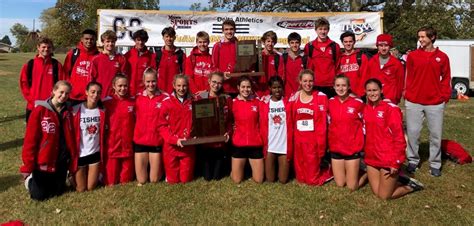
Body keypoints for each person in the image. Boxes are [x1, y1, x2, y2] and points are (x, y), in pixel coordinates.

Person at [363, 78, 424, 200]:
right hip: (372, 157)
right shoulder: (366, 108)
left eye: (375, 90)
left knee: (384, 196)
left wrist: (396, 162)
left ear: (381, 90)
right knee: (376, 192)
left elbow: (399, 138)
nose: (372, 93)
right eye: (369, 90)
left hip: (387, 158)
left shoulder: (391, 109)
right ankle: (399, 180)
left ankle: (411, 186)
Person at [405, 26, 451, 177]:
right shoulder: (412, 56)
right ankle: (412, 160)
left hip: (435, 102)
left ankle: (435, 164)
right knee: (412, 133)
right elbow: (409, 77)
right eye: (419, 37)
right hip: (414, 101)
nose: (420, 39)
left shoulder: (442, 57)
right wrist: (408, 93)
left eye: (423, 37)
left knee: (435, 135)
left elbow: (445, 78)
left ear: (432, 37)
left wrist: (444, 96)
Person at [20, 81, 77, 201]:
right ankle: (29, 180)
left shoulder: (69, 111)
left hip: (60, 159)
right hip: (44, 158)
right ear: (53, 91)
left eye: (67, 94)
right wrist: (27, 166)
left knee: (57, 192)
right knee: (39, 196)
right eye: (61, 92)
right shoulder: (40, 110)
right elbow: (30, 140)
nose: (63, 96)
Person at [289, 69, 332, 186]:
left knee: (312, 181)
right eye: (305, 81)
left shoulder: (320, 97)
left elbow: (323, 122)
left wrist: (321, 144)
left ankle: (328, 169)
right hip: (298, 139)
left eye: (310, 81)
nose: (308, 84)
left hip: (312, 140)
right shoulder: (294, 97)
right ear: (300, 82)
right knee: (301, 179)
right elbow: (290, 119)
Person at [328, 75, 364, 191]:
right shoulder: (330, 102)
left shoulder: (358, 103)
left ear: (349, 87)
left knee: (352, 186)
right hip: (336, 148)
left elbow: (366, 123)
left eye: (344, 85)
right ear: (334, 87)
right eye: (338, 85)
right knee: (340, 183)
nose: (341, 88)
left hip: (352, 148)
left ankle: (368, 172)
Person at [194, 72, 233, 181]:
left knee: (216, 177)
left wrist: (228, 132)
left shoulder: (227, 98)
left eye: (219, 83)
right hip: (205, 142)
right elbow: (196, 120)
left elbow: (230, 120)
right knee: (207, 177)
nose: (216, 85)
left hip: (220, 142)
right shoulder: (200, 97)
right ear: (209, 81)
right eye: (214, 82)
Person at [133, 68, 168, 185]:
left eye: (153, 81)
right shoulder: (137, 97)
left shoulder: (165, 97)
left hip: (156, 141)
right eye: (148, 82)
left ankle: (162, 170)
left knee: (154, 180)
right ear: (143, 81)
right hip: (140, 141)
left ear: (157, 80)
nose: (150, 84)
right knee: (141, 180)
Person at [158, 74, 195, 184]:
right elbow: (161, 126)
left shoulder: (194, 101)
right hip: (171, 147)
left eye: (184, 86)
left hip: (188, 146)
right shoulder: (166, 102)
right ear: (173, 85)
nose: (181, 88)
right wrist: (174, 140)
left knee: (185, 180)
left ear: (188, 86)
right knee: (172, 181)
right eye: (178, 85)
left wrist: (195, 135)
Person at [19, 37, 66, 122]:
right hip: (33, 106)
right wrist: (32, 100)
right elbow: (24, 84)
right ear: (38, 47)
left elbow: (62, 84)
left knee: (50, 133)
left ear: (52, 48)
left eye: (49, 47)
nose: (46, 49)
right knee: (32, 133)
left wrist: (56, 101)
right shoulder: (30, 64)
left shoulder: (56, 65)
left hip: (52, 106)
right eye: (43, 47)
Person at [102, 74, 135, 186]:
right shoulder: (106, 102)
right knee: (110, 182)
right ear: (114, 86)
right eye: (120, 86)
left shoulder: (132, 101)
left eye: (125, 86)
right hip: (112, 145)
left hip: (127, 145)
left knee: (126, 181)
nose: (123, 88)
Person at [71, 81, 104, 192]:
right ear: (86, 92)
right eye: (92, 92)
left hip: (95, 152)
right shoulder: (76, 110)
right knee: (81, 189)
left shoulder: (102, 111)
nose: (95, 95)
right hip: (80, 153)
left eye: (98, 93)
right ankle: (72, 176)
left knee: (90, 188)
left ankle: (96, 174)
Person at [231, 76, 264, 183]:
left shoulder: (257, 102)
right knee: (237, 180)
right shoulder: (233, 103)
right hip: (239, 144)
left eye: (248, 87)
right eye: (243, 87)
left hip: (255, 144)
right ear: (238, 88)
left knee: (259, 180)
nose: (246, 89)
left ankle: (247, 169)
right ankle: (235, 170)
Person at [259, 76, 292, 183]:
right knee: (270, 179)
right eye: (274, 88)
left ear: (282, 87)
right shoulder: (264, 103)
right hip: (270, 146)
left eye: (279, 87)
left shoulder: (288, 102)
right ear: (270, 88)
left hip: (284, 145)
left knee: (283, 180)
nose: (277, 90)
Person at [362, 34, 404, 104]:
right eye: (381, 46)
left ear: (390, 46)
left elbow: (400, 83)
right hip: (373, 99)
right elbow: (366, 79)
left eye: (386, 45)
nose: (383, 48)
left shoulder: (396, 63)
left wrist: (396, 98)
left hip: (390, 100)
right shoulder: (371, 61)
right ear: (377, 47)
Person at [304, 18, 341, 98]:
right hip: (315, 85)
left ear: (328, 30)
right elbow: (308, 68)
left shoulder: (335, 46)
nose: (323, 32)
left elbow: (337, 66)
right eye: (320, 29)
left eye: (325, 29)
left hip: (331, 85)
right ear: (316, 30)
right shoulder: (309, 47)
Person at [63, 29, 99, 103]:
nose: (89, 41)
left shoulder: (98, 56)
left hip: (91, 97)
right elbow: (65, 74)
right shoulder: (73, 54)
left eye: (92, 39)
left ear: (95, 40)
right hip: (73, 97)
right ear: (81, 39)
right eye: (86, 39)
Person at [90, 30, 129, 99]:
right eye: (108, 41)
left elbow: (124, 79)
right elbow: (91, 79)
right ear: (103, 42)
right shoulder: (96, 59)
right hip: (100, 96)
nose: (110, 44)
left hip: (115, 98)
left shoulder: (121, 59)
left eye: (112, 42)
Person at [336, 31, 368, 97]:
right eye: (345, 42)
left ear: (354, 42)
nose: (348, 44)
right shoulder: (339, 58)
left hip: (358, 95)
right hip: (343, 95)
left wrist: (360, 94)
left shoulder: (361, 57)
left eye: (350, 41)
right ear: (342, 43)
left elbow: (365, 76)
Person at [125, 29, 156, 96]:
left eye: (143, 40)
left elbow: (153, 75)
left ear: (145, 41)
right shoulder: (127, 55)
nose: (140, 42)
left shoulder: (151, 56)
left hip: (144, 92)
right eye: (138, 40)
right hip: (129, 91)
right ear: (134, 40)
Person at [212, 19, 239, 94]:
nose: (229, 32)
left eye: (231, 29)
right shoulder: (218, 46)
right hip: (222, 87)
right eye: (226, 29)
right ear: (223, 31)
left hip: (238, 87)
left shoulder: (239, 46)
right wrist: (222, 75)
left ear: (235, 30)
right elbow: (214, 66)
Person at [156, 27, 186, 94]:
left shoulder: (180, 55)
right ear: (163, 38)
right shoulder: (157, 55)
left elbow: (184, 74)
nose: (169, 39)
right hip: (160, 93)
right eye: (166, 36)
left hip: (176, 93)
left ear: (175, 38)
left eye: (171, 36)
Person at [258, 30, 283, 96]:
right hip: (259, 91)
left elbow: (280, 75)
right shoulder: (258, 56)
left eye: (272, 42)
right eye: (268, 41)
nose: (270, 44)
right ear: (263, 42)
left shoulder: (278, 57)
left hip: (273, 92)